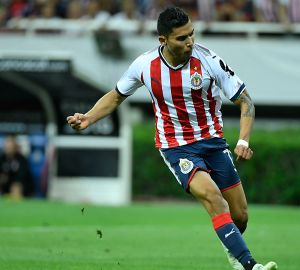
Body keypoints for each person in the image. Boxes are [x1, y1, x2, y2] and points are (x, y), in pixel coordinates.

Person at [66, 6, 277, 270]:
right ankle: (250, 265)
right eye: (182, 38)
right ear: (163, 40)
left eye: (192, 34)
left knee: (240, 216)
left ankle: (233, 249)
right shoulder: (145, 65)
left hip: (212, 143)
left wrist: (243, 140)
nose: (190, 42)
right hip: (177, 148)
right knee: (214, 198)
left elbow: (246, 102)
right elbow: (117, 95)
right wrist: (88, 117)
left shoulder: (209, 60)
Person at [0, 135, 34, 199]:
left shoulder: (21, 159)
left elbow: (22, 175)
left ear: (14, 146)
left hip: (20, 185)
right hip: (6, 184)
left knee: (16, 187)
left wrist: (14, 182)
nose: (8, 147)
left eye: (10, 144)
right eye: (7, 144)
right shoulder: (2, 158)